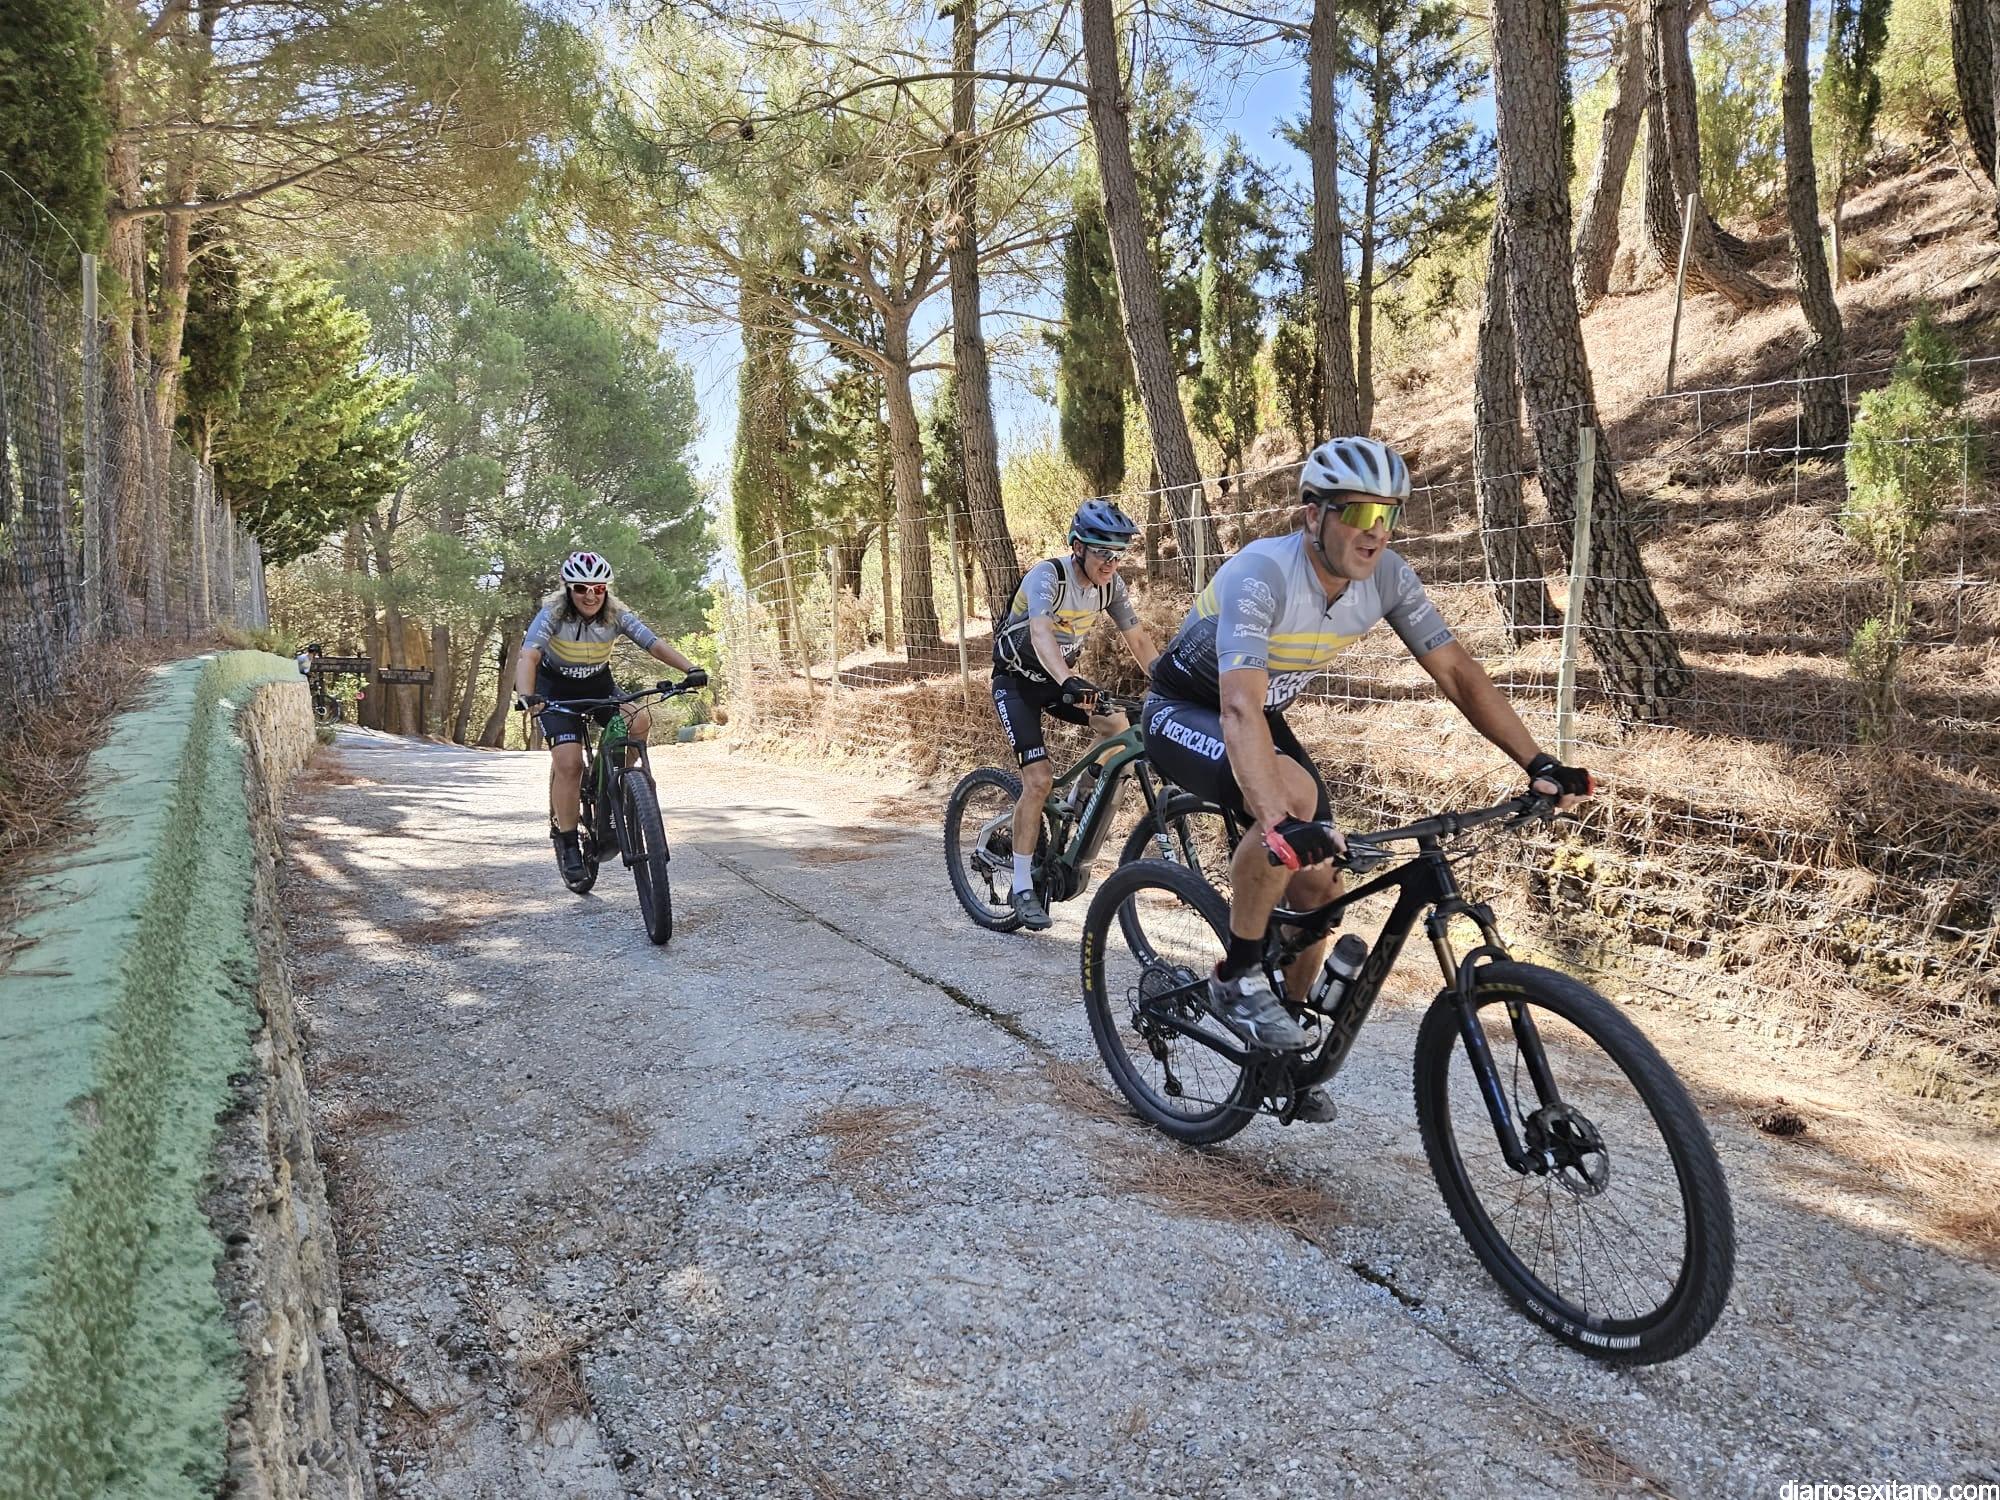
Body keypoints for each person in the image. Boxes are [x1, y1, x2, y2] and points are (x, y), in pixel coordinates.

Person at [1142, 436, 1591, 1121]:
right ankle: (1236, 975)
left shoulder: (1387, 578)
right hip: (1186, 708)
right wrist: (1277, 819)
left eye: (1389, 515)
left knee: (1323, 884)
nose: (1374, 532)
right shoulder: (1261, 573)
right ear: (1312, 514)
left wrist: (1538, 761)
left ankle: (1282, 1047)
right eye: (1357, 512)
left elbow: (1458, 672)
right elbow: (1237, 708)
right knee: (1291, 807)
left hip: (1259, 714)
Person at [989, 499, 1158, 931]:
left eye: (1118, 554)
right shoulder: (1047, 576)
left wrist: (1171, 685)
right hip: (1017, 682)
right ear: (1078, 547)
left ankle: (1077, 799)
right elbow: (1040, 633)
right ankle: (1021, 886)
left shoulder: (1110, 586)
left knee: (1117, 726)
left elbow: (1139, 641)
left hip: (1058, 679)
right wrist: (1067, 680)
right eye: (1103, 552)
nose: (1111, 563)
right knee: (1038, 780)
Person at [512, 551, 707, 882]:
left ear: (606, 590)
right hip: (555, 691)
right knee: (569, 764)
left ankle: (616, 781)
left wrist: (691, 668)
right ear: (568, 589)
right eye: (581, 588)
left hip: (599, 686)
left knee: (638, 721)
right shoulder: (552, 614)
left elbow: (653, 644)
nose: (590, 596)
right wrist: (527, 695)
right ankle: (569, 842)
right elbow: (528, 656)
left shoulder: (616, 614)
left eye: (598, 589)